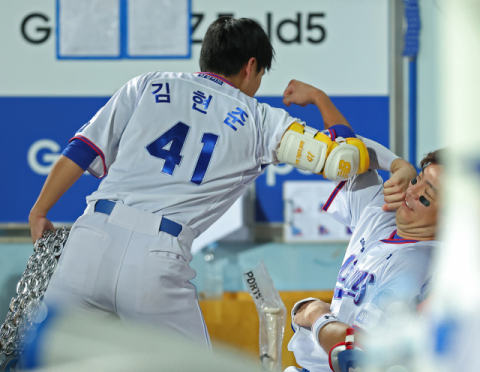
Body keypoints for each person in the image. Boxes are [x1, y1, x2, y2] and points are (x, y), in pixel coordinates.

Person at [27, 17, 371, 349]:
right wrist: (319, 98)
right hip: (156, 258)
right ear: (251, 66)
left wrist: (41, 209)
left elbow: (82, 149)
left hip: (90, 239)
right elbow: (345, 162)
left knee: (47, 360)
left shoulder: (148, 83)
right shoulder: (262, 119)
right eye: (262, 73)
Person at [281, 80, 441, 371]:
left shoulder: (426, 265)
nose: (412, 192)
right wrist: (398, 165)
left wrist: (314, 312)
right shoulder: (382, 211)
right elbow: (348, 153)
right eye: (417, 180)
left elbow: (354, 353)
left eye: (427, 194)